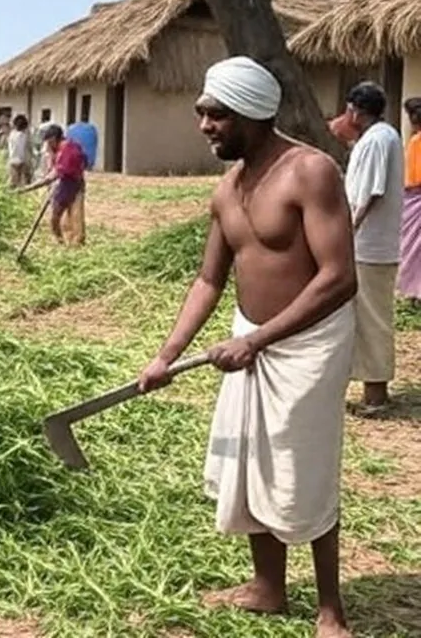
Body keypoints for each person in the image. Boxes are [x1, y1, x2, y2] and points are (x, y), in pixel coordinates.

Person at [137, 56, 358, 638]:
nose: (204, 124)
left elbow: (338, 277)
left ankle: (330, 607)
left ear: (254, 115)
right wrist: (166, 354)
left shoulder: (310, 172)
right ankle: (268, 587)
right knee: (253, 458)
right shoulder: (226, 190)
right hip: (250, 338)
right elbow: (208, 281)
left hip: (307, 345)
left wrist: (258, 339)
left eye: (216, 114)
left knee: (302, 466)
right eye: (201, 112)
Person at [341, 82, 404, 416]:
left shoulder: (379, 138)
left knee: (373, 318)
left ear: (354, 110)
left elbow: (370, 193)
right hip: (368, 245)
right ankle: (368, 387)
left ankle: (376, 396)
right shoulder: (380, 137)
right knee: (362, 317)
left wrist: (350, 230)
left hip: (370, 247)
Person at [22, 124, 86, 246]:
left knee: (75, 218)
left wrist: (27, 188)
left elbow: (54, 175)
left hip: (73, 185)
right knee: (56, 218)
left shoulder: (67, 149)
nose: (47, 144)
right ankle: (61, 242)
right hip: (63, 185)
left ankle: (76, 245)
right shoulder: (57, 150)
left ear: (53, 139)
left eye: (48, 141)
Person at [398, 97, 421, 307]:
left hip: (415, 198)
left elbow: (413, 177)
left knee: (412, 248)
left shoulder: (416, 142)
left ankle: (415, 291)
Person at [5, 114, 33, 188]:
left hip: (12, 161)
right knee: (24, 185)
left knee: (12, 184)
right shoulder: (24, 136)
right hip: (22, 162)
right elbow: (27, 150)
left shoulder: (11, 135)